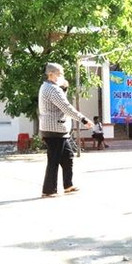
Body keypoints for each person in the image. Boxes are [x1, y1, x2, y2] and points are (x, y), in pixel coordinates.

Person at [38, 62, 93, 197]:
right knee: (54, 160)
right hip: (54, 130)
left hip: (58, 130)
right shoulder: (52, 89)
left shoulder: (48, 87)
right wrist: (83, 119)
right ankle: (48, 190)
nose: (62, 76)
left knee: (68, 156)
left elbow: (61, 102)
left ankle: (68, 185)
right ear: (51, 74)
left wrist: (64, 89)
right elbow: (66, 107)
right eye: (60, 74)